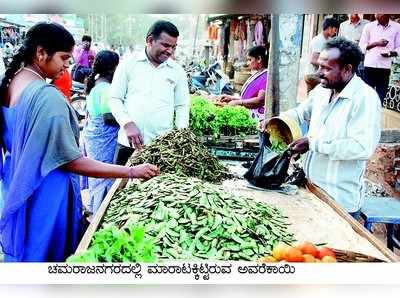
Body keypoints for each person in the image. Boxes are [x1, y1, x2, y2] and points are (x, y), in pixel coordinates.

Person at [0, 22, 159, 262]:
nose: (68, 65)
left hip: (17, 182)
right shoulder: (46, 97)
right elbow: (71, 161)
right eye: (64, 57)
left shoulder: (11, 82)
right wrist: (131, 171)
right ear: (41, 53)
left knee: (24, 254)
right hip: (46, 192)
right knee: (44, 257)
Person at [283, 37, 381, 217]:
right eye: (319, 66)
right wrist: (279, 121)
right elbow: (300, 113)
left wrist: (313, 144)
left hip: (339, 201)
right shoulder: (322, 91)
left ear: (347, 69)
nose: (319, 72)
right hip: (310, 190)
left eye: (327, 68)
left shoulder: (365, 99)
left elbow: (361, 148)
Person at [110, 20, 190, 165]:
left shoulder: (177, 72)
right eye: (165, 45)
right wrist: (127, 123)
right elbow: (115, 98)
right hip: (128, 145)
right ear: (150, 40)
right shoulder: (128, 65)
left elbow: (182, 106)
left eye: (173, 47)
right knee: (120, 186)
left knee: (158, 187)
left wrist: (181, 137)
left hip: (162, 149)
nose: (170, 51)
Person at [83, 50, 120, 215]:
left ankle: (94, 208)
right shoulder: (107, 89)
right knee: (105, 175)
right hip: (104, 140)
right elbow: (108, 118)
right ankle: (100, 213)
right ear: (112, 69)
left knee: (97, 177)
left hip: (94, 139)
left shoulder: (96, 85)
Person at [359, 14, 400, 103]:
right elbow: (361, 46)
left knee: (380, 98)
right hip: (370, 66)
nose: (376, 14)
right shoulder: (369, 26)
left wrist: (390, 53)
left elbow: (399, 47)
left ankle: (375, 115)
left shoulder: (397, 27)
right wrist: (376, 43)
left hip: (385, 68)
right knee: (366, 97)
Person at [219, 45, 268, 121]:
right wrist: (232, 98)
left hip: (258, 119)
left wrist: (240, 102)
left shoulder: (266, 76)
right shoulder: (257, 74)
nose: (247, 63)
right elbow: (248, 98)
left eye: (249, 59)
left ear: (259, 59)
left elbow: (260, 100)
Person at [305, 17, 339, 93]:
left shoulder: (328, 40)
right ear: (330, 28)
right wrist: (329, 66)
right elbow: (313, 60)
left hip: (319, 74)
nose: (335, 32)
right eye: (335, 29)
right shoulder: (319, 40)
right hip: (313, 74)